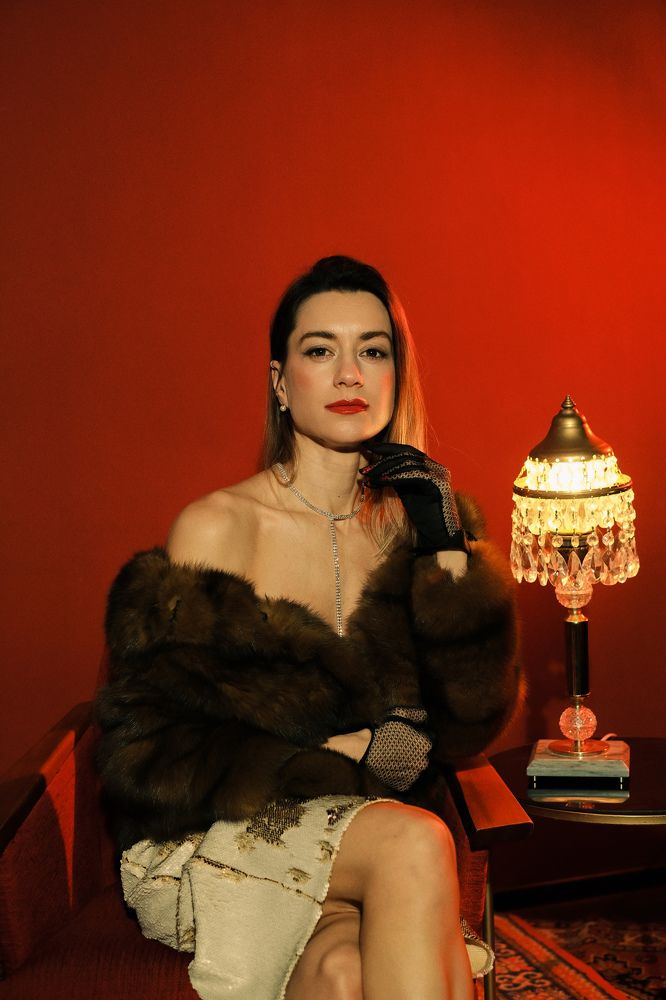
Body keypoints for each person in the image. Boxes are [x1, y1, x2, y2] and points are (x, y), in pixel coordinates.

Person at [96, 255, 521, 1000]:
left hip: (361, 840)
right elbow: (156, 755)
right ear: (280, 383)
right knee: (416, 840)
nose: (350, 373)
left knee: (344, 975)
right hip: (223, 836)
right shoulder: (219, 527)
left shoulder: (417, 529)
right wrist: (342, 756)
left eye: (373, 351)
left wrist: (447, 547)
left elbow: (466, 724)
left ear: (396, 376)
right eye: (321, 350)